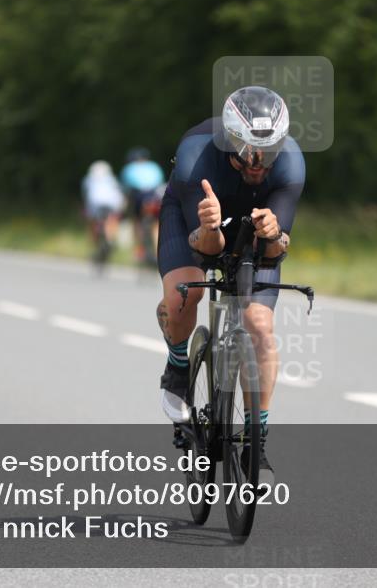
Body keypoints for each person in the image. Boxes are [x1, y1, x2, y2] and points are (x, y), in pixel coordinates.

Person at [155, 86, 305, 475]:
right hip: (198, 220)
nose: (258, 163)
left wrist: (272, 235)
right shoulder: (194, 157)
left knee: (259, 325)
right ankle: (177, 365)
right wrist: (209, 223)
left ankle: (258, 440)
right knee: (181, 297)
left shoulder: (290, 164)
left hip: (253, 226)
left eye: (268, 151)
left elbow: (275, 252)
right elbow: (206, 249)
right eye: (249, 151)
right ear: (229, 140)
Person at [120, 147, 166, 264]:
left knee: (137, 222)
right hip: (155, 197)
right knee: (156, 225)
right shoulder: (154, 166)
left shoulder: (129, 168)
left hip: (139, 197)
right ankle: (157, 253)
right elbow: (160, 183)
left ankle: (139, 251)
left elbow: (125, 189)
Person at [81, 160, 125, 262]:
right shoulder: (112, 179)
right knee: (113, 219)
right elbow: (118, 194)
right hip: (111, 203)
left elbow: (85, 195)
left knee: (91, 222)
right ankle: (110, 239)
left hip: (95, 204)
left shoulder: (88, 180)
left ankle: (94, 242)